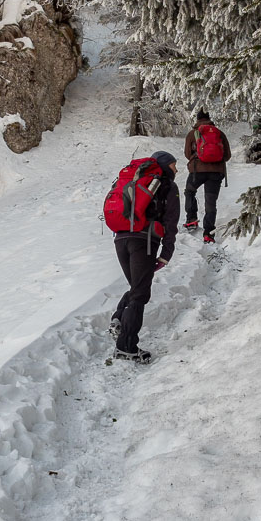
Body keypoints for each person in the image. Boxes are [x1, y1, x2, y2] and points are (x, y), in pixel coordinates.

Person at [110, 151, 179, 363]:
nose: (177, 170)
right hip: (145, 241)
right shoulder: (166, 185)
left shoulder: (132, 180)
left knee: (137, 287)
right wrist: (166, 253)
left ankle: (119, 320)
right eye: (174, 165)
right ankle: (126, 347)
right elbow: (170, 222)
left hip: (120, 239)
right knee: (140, 293)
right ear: (165, 166)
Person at [183, 110, 231, 244]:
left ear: (197, 119)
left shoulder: (193, 133)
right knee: (210, 201)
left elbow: (187, 154)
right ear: (209, 118)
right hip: (216, 172)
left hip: (197, 171)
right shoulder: (219, 133)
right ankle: (208, 233)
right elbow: (227, 155)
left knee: (189, 192)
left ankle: (191, 219)